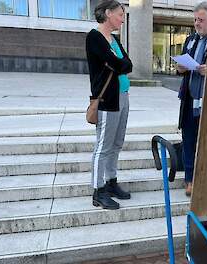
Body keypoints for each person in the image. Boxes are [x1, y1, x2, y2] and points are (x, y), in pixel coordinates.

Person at [86, 0, 133, 210]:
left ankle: (111, 181)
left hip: (123, 95)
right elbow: (116, 63)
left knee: (117, 143)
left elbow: (128, 65)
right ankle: (98, 190)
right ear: (107, 13)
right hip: (106, 99)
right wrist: (117, 62)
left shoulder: (113, 39)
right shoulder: (94, 37)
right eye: (120, 15)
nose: (123, 19)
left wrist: (117, 63)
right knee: (103, 146)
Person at [176, 2, 207, 197]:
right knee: (188, 139)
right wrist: (181, 68)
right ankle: (189, 180)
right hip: (189, 99)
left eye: (201, 20)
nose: (197, 24)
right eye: (195, 20)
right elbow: (181, 66)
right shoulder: (190, 39)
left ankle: (205, 181)